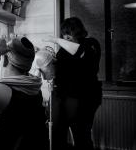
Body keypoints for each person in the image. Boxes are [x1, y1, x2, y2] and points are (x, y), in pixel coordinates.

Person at [44, 17, 102, 150]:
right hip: (63, 97)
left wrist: (55, 40)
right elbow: (57, 69)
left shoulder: (90, 44)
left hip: (84, 98)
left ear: (79, 32)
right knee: (58, 134)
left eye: (69, 33)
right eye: (64, 34)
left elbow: (78, 51)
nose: (66, 37)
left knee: (81, 135)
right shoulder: (63, 50)